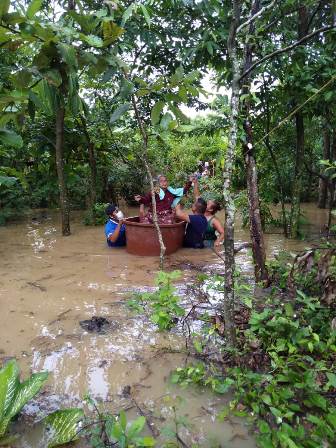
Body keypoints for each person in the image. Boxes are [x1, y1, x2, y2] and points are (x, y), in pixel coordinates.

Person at [192, 177, 224, 248]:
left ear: (210, 210)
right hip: (197, 242)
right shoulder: (199, 212)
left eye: (208, 204)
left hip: (209, 244)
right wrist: (195, 183)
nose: (205, 204)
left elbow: (223, 233)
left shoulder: (214, 220)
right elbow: (197, 197)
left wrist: (217, 241)